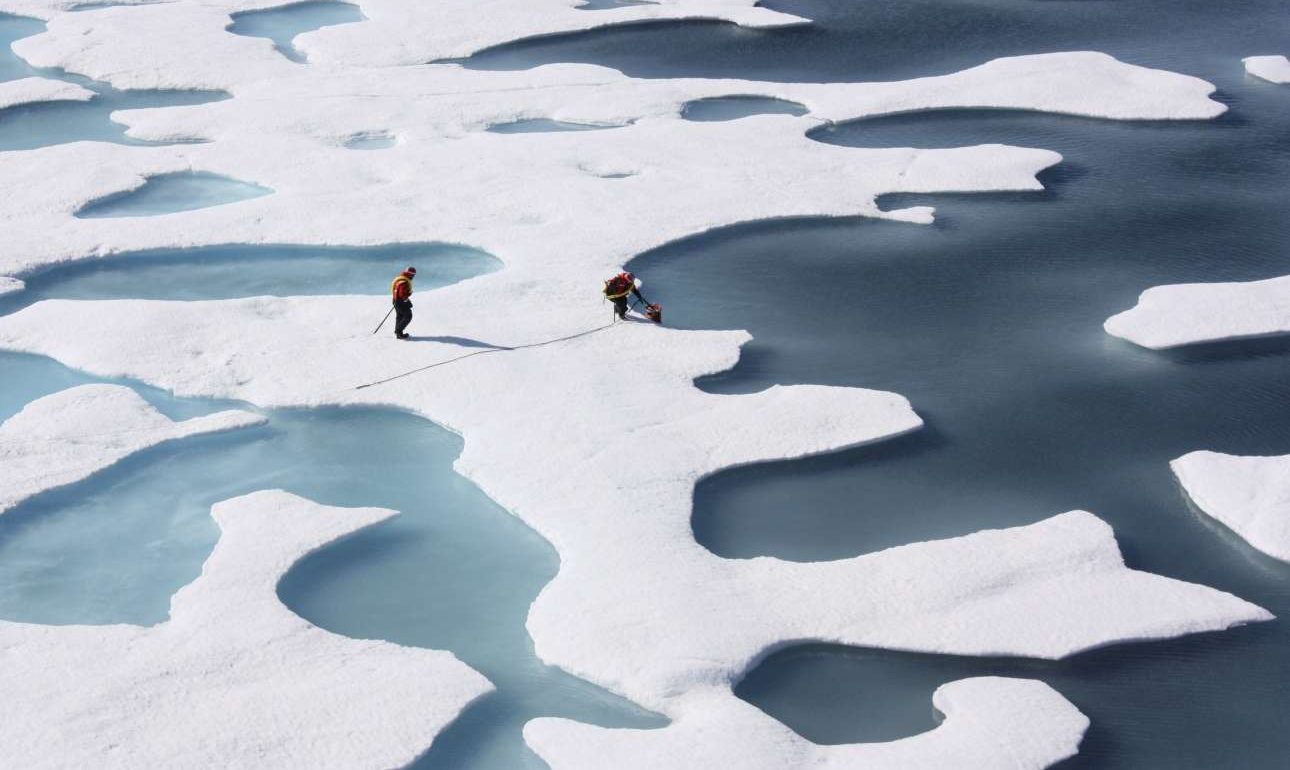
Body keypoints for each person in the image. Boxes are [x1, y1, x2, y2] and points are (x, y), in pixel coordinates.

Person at [390, 266, 416, 339]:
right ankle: (398, 331)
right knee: (408, 316)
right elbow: (402, 294)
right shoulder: (404, 282)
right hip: (401, 301)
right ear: (409, 274)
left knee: (400, 316)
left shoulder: (400, 279)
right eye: (413, 275)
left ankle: (399, 334)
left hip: (395, 300)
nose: (413, 276)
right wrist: (408, 295)